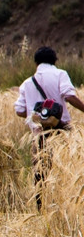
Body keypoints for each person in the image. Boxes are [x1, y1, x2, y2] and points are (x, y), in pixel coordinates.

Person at [14, 46, 84, 208]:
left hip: (39, 133)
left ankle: (41, 208)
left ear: (36, 62)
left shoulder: (27, 83)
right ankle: (66, 204)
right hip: (62, 130)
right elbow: (69, 96)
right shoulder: (60, 74)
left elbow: (19, 110)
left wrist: (38, 116)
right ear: (54, 61)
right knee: (66, 168)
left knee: (40, 171)